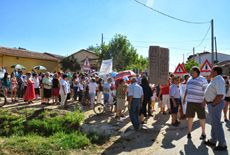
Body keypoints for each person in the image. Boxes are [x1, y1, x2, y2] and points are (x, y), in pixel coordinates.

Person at [204, 66, 227, 151]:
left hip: (216, 104)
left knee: (216, 124)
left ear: (215, 72)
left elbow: (220, 95)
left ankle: (222, 144)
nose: (210, 72)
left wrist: (213, 104)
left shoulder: (219, 80)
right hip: (214, 104)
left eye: (211, 70)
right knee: (214, 123)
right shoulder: (216, 80)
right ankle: (213, 140)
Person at [183, 66, 208, 139]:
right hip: (190, 102)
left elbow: (206, 92)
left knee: (201, 118)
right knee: (190, 117)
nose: (190, 72)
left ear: (195, 72)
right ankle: (189, 133)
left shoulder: (203, 80)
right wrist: (185, 98)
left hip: (199, 102)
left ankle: (203, 133)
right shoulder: (189, 79)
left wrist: (204, 101)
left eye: (191, 71)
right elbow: (187, 89)